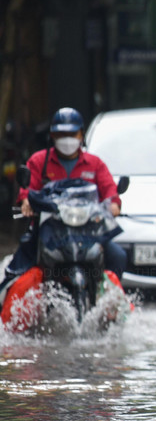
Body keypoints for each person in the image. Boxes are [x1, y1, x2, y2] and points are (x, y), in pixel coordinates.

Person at [1, 107, 126, 290]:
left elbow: (110, 191)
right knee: (19, 266)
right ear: (52, 136)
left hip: (88, 233)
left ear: (81, 135)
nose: (67, 139)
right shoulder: (38, 162)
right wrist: (26, 202)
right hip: (50, 233)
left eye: (72, 133)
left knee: (118, 256)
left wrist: (113, 204)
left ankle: (104, 298)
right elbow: (27, 191)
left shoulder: (95, 164)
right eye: (61, 134)